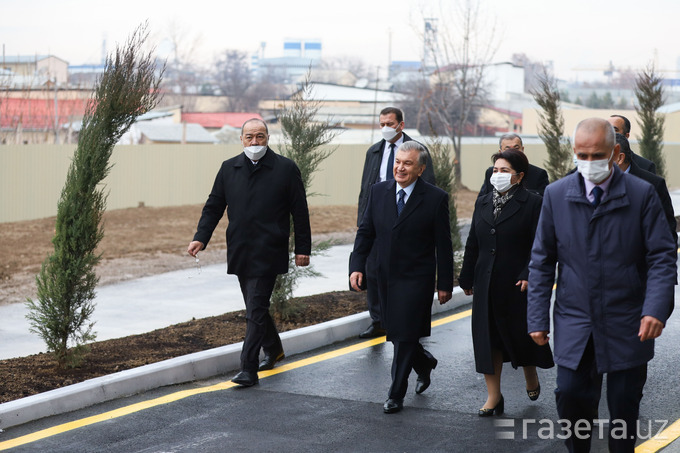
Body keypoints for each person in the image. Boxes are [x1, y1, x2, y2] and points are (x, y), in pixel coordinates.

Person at [527, 118, 676, 452]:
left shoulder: (642, 195)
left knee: (624, 406)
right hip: (574, 317)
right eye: (582, 155)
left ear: (615, 153)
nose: (589, 163)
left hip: (628, 319)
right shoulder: (556, 195)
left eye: (597, 155)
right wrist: (536, 319)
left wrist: (654, 310)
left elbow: (662, 256)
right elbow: (541, 261)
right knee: (570, 395)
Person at [187, 118, 311, 387]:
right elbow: (214, 206)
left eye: (260, 137)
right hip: (241, 249)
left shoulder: (286, 169)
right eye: (249, 137)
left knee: (254, 309)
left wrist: (303, 249)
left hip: (270, 249)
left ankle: (248, 368)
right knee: (256, 307)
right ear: (241, 139)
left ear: (268, 138)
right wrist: (201, 238)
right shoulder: (228, 168)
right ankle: (274, 347)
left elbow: (299, 212)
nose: (255, 142)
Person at [350, 141, 454, 414]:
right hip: (383, 275)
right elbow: (365, 231)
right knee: (395, 331)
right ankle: (424, 363)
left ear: (420, 169)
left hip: (416, 278)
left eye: (408, 163)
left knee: (406, 335)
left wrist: (445, 283)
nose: (400, 167)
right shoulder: (378, 191)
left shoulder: (435, 198)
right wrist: (356, 265)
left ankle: (396, 393)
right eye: (398, 161)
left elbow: (443, 244)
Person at [459, 149, 554, 417]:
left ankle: (530, 375)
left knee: (520, 337)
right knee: (489, 341)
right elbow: (473, 243)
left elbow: (540, 244)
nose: (497, 175)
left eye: (504, 171)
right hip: (486, 281)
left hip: (516, 283)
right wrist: (466, 275)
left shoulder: (533, 203)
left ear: (519, 176)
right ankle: (493, 396)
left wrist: (528, 273)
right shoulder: (483, 202)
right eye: (495, 171)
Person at [356, 107, 436, 339]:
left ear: (401, 125)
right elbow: (365, 189)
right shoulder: (374, 151)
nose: (385, 129)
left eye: (389, 124)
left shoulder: (418, 150)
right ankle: (378, 320)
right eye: (381, 124)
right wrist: (362, 221)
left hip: (406, 216)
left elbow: (428, 185)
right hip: (379, 217)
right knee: (373, 269)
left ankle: (407, 320)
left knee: (402, 270)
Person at [615, 132, 677, 246]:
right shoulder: (594, 185)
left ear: (620, 158)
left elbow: (667, 232)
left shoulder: (653, 184)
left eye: (601, 155)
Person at [478, 133, 550, 197]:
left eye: (516, 148)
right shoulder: (491, 172)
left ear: (522, 149)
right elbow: (482, 201)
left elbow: (543, 201)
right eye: (508, 149)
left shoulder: (538, 174)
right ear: (500, 152)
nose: (513, 153)